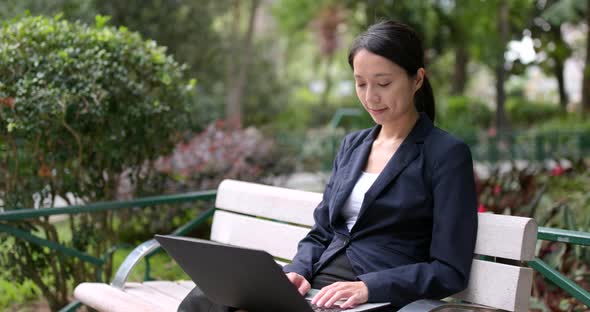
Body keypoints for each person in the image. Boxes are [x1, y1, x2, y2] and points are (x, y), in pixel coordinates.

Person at [178, 19, 477, 312]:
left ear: (417, 79)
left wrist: (370, 287)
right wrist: (298, 271)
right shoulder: (353, 146)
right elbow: (323, 231)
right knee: (206, 295)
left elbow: (449, 269)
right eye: (361, 83)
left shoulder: (446, 154)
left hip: (372, 292)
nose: (371, 96)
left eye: (384, 83)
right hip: (321, 281)